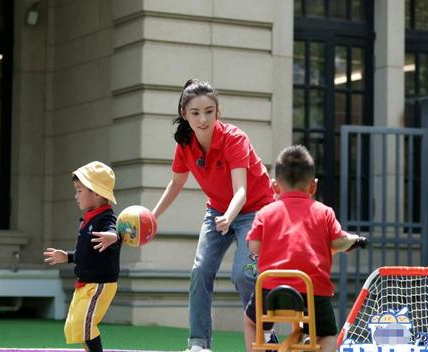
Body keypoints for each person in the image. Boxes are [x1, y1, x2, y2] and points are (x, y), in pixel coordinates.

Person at [151, 79, 275, 352]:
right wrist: (153, 216)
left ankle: (266, 334)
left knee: (244, 274)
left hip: (255, 208)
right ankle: (199, 345)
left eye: (209, 111)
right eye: (195, 113)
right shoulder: (184, 144)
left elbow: (241, 190)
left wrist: (230, 217)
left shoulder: (234, 138)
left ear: (218, 112)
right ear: (185, 114)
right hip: (218, 210)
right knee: (200, 272)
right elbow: (176, 184)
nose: (203, 119)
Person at [244, 145, 368, 352]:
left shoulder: (265, 213)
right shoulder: (324, 212)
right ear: (313, 186)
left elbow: (254, 247)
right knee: (327, 333)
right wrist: (353, 240)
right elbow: (337, 242)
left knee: (251, 322)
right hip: (313, 291)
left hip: (270, 290)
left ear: (274, 187)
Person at [43, 161, 122, 352]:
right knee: (75, 325)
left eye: (79, 190)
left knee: (83, 326)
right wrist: (68, 257)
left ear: (96, 192)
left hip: (99, 283)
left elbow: (115, 233)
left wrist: (113, 237)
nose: (75, 196)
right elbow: (86, 253)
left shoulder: (106, 218)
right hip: (86, 283)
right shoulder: (89, 219)